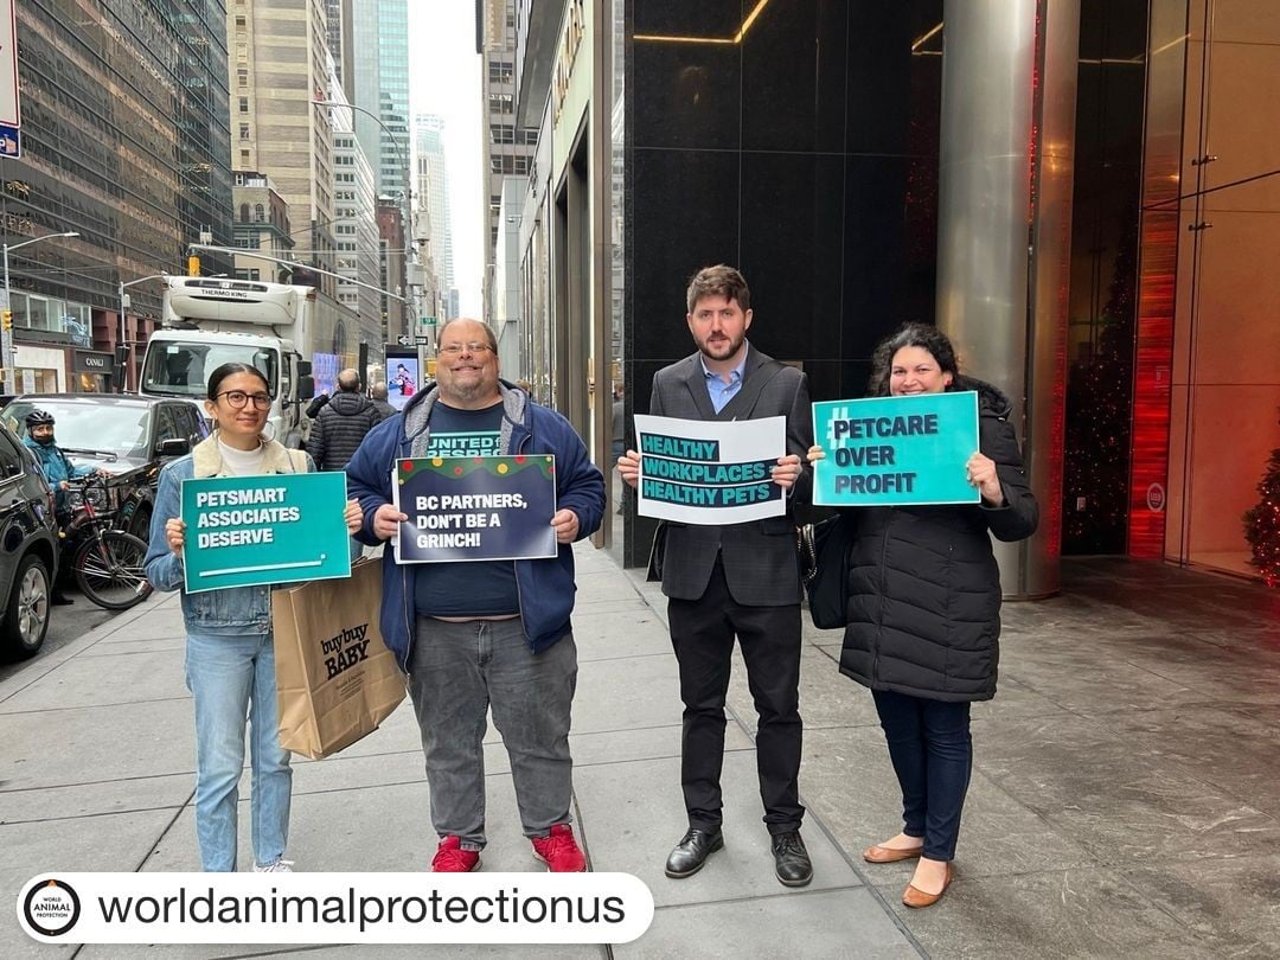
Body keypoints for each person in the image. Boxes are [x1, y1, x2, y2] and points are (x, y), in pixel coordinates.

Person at [346, 318, 605, 873]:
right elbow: (354, 487)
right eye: (453, 349)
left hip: (526, 623)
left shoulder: (543, 427)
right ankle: (459, 838)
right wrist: (373, 517)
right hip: (434, 625)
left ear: (495, 359)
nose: (466, 357)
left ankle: (551, 829)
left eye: (477, 348)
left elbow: (590, 486)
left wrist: (574, 517)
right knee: (448, 743)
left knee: (540, 737)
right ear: (436, 360)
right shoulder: (398, 432)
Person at [807, 322, 1038, 908]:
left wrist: (993, 488)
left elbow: (1021, 521)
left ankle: (939, 851)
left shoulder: (980, 429)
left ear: (947, 377)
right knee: (898, 726)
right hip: (880, 600)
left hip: (948, 602)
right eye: (899, 372)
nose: (908, 381)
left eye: (922, 370)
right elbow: (828, 510)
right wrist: (822, 472)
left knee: (943, 729)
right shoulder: (865, 430)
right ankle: (915, 828)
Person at [616, 264, 815, 887]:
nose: (717, 324)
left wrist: (799, 480)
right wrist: (640, 479)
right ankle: (704, 823)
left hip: (768, 574)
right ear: (690, 321)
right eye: (705, 314)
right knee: (699, 706)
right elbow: (663, 478)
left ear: (746, 318)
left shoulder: (786, 383)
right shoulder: (668, 384)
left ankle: (785, 827)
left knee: (778, 708)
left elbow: (815, 492)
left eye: (727, 313)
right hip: (695, 575)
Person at [144, 363, 363, 872]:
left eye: (260, 397)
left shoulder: (298, 468)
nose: (250, 407)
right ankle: (219, 875)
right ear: (212, 406)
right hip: (217, 638)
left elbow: (337, 557)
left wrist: (351, 529)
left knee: (275, 758)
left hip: (284, 632)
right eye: (236, 397)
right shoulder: (184, 477)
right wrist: (180, 553)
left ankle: (271, 861)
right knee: (220, 767)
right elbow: (155, 572)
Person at [23, 408, 100, 604]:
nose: (45, 432)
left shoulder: (55, 451)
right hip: (45, 510)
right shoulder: (29, 454)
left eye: (48, 428)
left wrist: (95, 470)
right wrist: (57, 486)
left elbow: (71, 471)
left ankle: (56, 593)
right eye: (40, 429)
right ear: (31, 431)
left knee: (64, 550)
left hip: (62, 507)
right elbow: (32, 482)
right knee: (52, 550)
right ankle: (49, 593)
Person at [307, 369, 381, 563]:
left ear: (338, 386)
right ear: (359, 387)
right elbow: (377, 450)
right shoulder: (371, 411)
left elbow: (315, 449)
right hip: (360, 481)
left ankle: (334, 565)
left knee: (334, 526)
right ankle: (353, 568)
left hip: (332, 479)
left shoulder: (325, 412)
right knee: (355, 523)